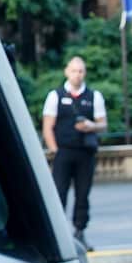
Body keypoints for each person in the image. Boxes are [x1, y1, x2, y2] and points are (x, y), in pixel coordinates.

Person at [42, 55, 107, 249]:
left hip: (85, 153)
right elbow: (47, 126)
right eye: (73, 70)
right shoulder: (56, 95)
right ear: (66, 71)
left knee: (83, 194)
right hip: (63, 151)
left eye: (80, 71)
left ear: (84, 73)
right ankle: (58, 234)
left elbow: (103, 125)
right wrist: (55, 150)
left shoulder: (94, 96)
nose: (77, 75)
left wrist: (91, 126)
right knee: (59, 193)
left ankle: (80, 232)